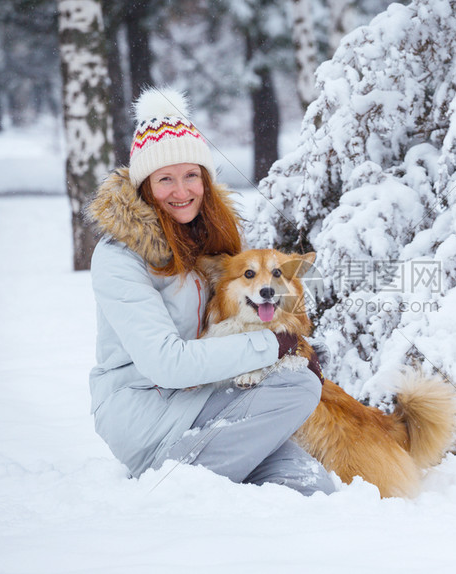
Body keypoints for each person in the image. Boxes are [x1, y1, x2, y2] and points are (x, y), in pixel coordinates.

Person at [85, 87, 335, 496]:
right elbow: (166, 364)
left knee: (310, 488)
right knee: (299, 386)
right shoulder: (119, 257)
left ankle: (214, 480)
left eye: (191, 175)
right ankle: (174, 481)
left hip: (209, 396)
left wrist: (292, 337)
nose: (181, 191)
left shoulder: (210, 238)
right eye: (165, 178)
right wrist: (274, 346)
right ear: (145, 186)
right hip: (147, 413)